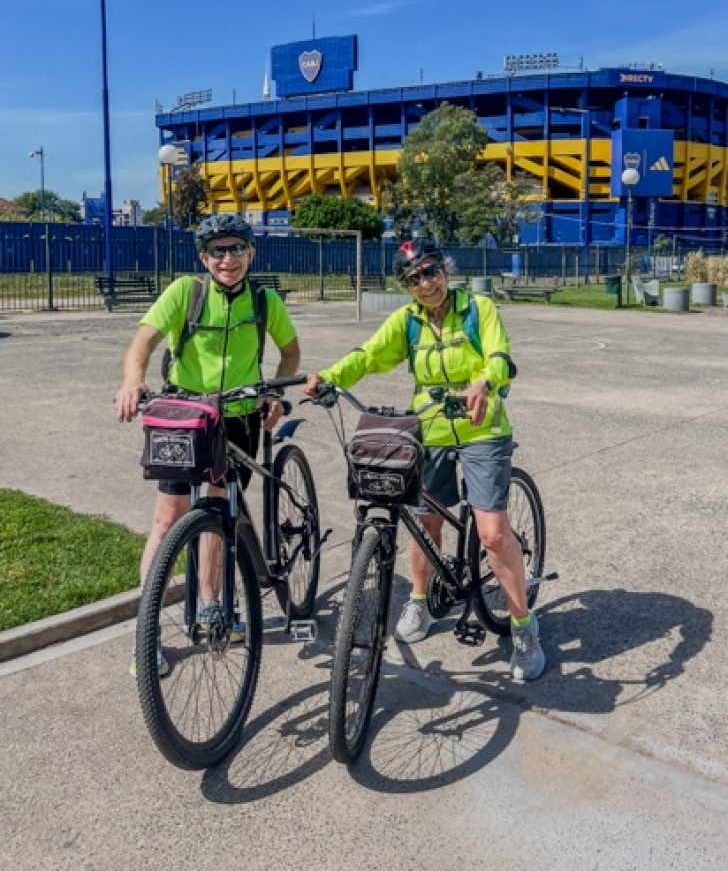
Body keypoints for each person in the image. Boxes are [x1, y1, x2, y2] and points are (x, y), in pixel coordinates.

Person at [304, 239, 545, 681]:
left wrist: (484, 383)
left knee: (491, 534)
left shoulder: (478, 308)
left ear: (445, 272)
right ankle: (419, 601)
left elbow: (501, 357)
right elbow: (369, 356)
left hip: (482, 429)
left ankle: (523, 625)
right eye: (414, 278)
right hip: (429, 430)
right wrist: (330, 378)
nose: (425, 283)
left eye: (430, 271)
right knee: (424, 520)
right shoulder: (407, 321)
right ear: (406, 286)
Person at [116, 213, 300, 676]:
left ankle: (210, 603)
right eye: (216, 250)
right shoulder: (186, 292)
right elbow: (142, 343)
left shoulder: (264, 298)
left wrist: (274, 393)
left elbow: (290, 350)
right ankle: (148, 633)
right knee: (167, 519)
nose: (227, 258)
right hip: (183, 416)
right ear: (203, 257)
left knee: (219, 508)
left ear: (250, 253)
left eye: (236, 248)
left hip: (238, 418)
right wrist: (133, 382)